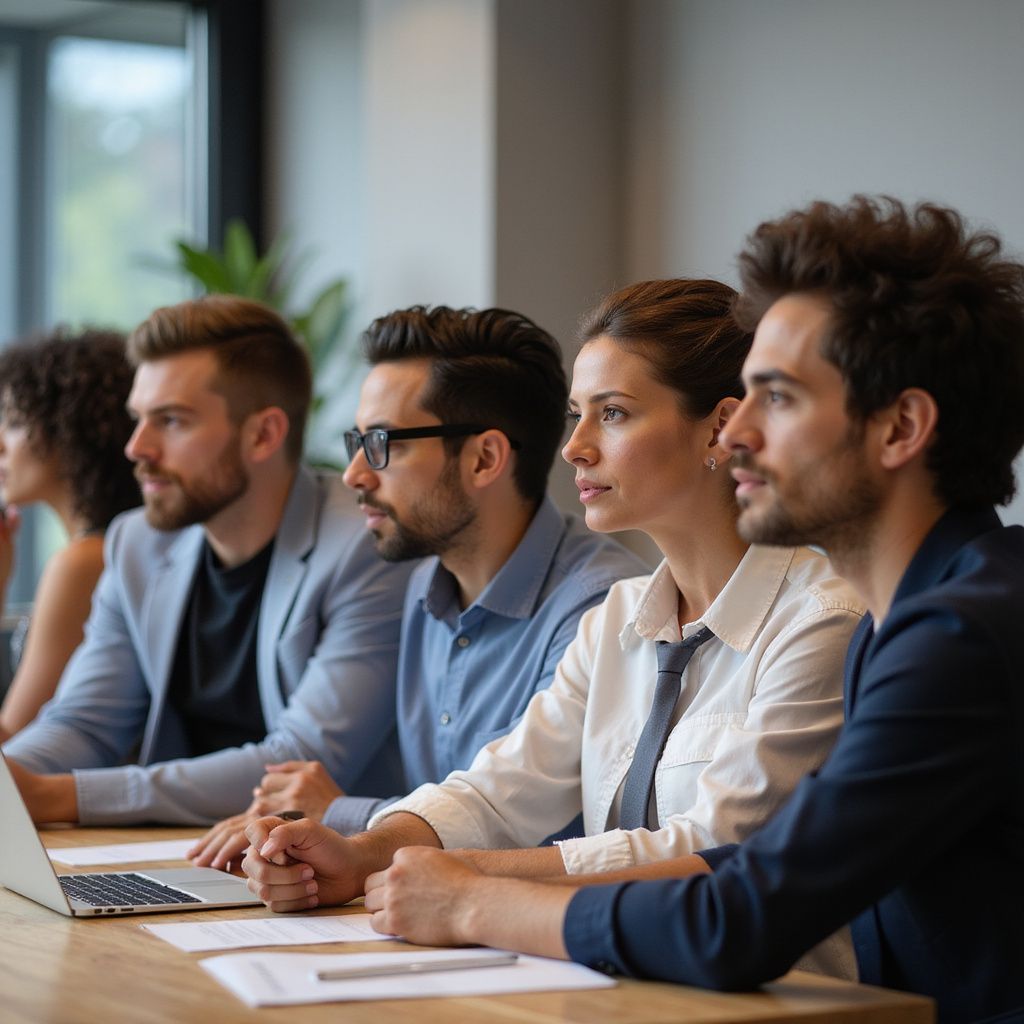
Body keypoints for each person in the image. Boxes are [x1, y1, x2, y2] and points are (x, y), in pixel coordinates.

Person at [355, 200, 1024, 1024]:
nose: (735, 431)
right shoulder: (920, 616)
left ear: (901, 428)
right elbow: (750, 878)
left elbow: (740, 912)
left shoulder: (956, 633)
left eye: (774, 398)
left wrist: (470, 903)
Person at [241, 280, 864, 977]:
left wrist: (466, 883)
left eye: (615, 414)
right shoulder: (618, 620)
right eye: (576, 416)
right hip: (615, 987)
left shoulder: (823, 619)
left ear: (720, 428)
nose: (575, 449)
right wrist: (360, 854)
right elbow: (498, 789)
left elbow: (718, 850)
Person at [189, 304, 646, 868]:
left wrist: (341, 814)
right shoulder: (417, 590)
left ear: (484, 459)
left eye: (381, 443)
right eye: (354, 441)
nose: (355, 473)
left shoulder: (600, 607)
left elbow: (534, 835)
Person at [2, 295, 415, 825]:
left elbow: (300, 759)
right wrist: (9, 781)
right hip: (176, 857)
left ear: (263, 434)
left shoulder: (363, 545)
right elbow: (83, 724)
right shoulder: (137, 545)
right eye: (138, 419)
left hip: (325, 874)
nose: (137, 447)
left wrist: (55, 797)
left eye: (171, 421)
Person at [0, 330, 139, 742]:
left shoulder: (83, 562)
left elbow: (11, 742)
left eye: (14, 422)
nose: (0, 445)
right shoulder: (109, 547)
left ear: (70, 432)